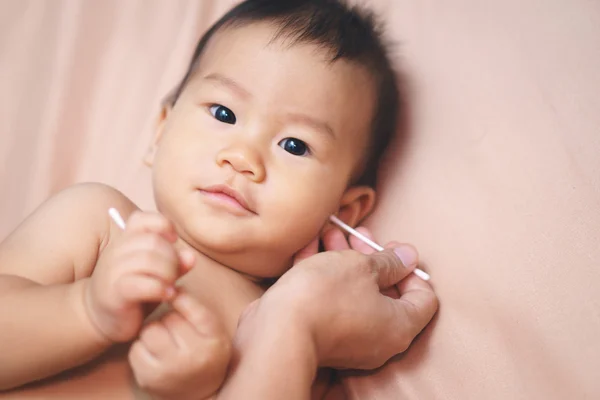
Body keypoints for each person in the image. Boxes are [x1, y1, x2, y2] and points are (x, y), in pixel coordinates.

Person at [0, 0, 437, 398]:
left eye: (294, 145)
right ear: (159, 132)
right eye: (224, 114)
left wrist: (281, 334)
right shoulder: (99, 224)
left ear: (342, 210)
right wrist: (86, 312)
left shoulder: (304, 335)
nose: (242, 158)